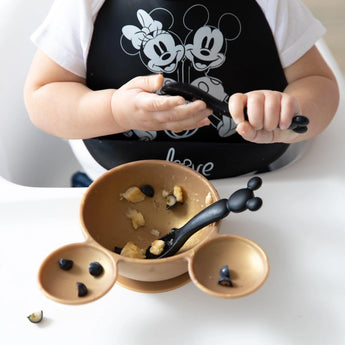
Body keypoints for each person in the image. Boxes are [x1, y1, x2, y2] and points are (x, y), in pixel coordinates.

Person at [24, 0, 339, 182]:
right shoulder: (83, 7)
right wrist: (114, 111)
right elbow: (42, 97)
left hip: (250, 181)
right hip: (108, 185)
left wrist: (288, 112)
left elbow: (320, 85)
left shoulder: (271, 5)